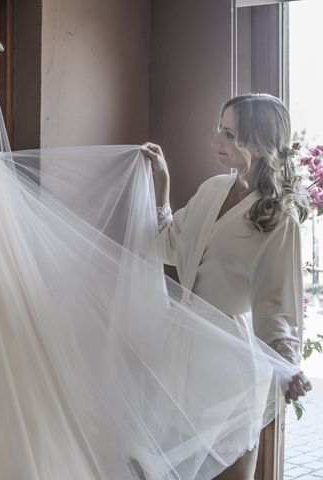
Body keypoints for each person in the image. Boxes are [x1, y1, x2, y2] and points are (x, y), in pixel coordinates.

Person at [142, 93, 312, 479]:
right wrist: (163, 184)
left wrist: (288, 365)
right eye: (219, 129)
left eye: (229, 134)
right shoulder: (212, 189)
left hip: (228, 364)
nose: (217, 141)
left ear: (259, 141)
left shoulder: (276, 217)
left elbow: (277, 305)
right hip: (178, 352)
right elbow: (170, 245)